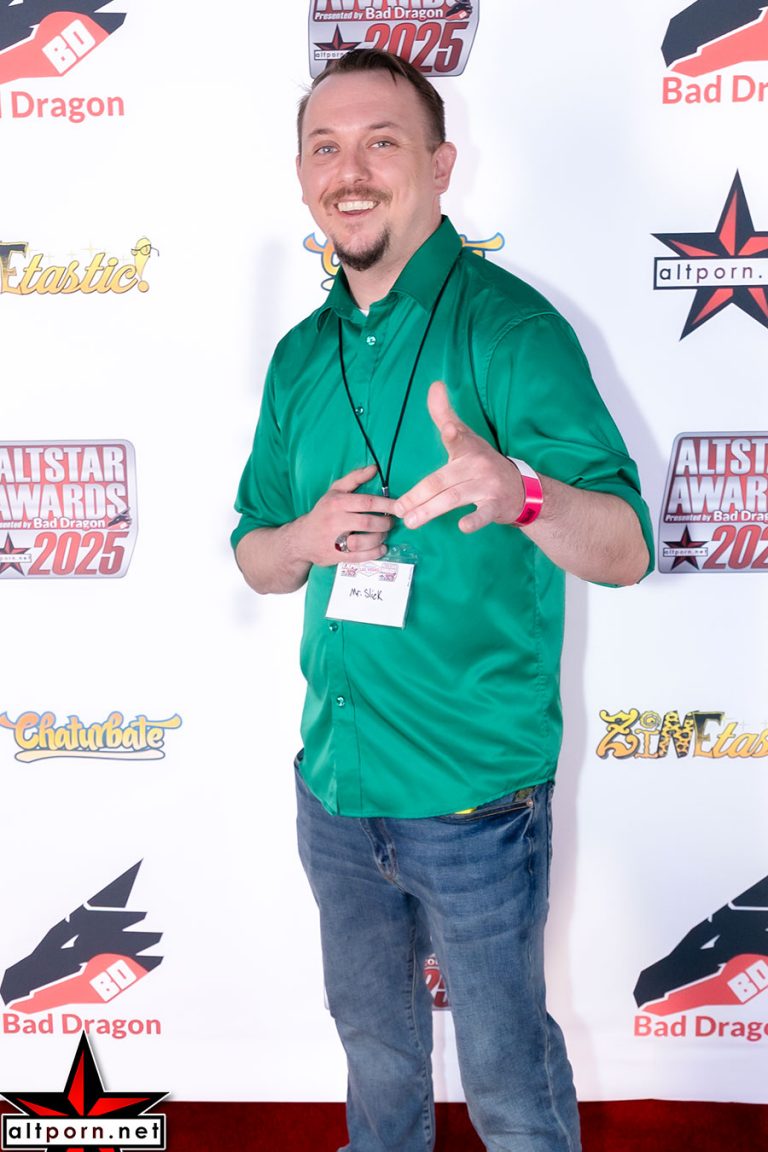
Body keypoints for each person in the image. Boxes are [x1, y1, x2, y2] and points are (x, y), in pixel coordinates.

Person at [232, 48, 653, 1152]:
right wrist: (302, 540)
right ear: (302, 174)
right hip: (334, 789)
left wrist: (523, 494)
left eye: (382, 143)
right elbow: (255, 555)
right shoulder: (300, 358)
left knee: (511, 1087)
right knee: (376, 1063)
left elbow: (624, 550)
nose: (350, 171)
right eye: (325, 147)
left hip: (473, 805)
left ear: (440, 164)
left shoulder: (511, 331)